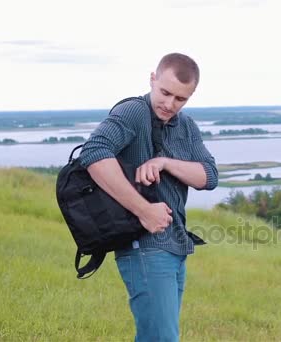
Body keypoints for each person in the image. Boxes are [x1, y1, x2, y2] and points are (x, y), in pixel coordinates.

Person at [78, 52, 218, 341]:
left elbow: (209, 176)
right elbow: (93, 154)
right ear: (152, 79)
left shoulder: (186, 126)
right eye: (165, 92)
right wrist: (143, 210)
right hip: (144, 246)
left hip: (175, 246)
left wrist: (164, 162)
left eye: (180, 99)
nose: (170, 104)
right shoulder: (135, 112)